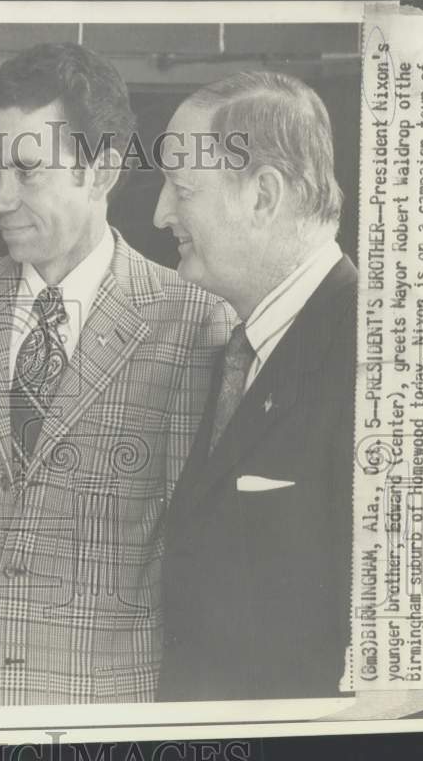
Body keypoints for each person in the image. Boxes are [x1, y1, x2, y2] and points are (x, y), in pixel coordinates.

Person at [0, 43, 229, 706]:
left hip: (101, 713)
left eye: (27, 172)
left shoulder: (196, 324)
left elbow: (199, 547)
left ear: (103, 171)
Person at [153, 71, 358, 700]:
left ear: (263, 196)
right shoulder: (239, 348)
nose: (160, 214)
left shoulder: (378, 361)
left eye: (182, 189)